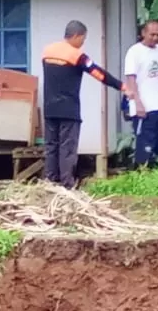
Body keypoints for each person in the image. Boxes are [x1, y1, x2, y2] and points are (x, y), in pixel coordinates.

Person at [39, 20, 122, 188]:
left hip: (50, 109)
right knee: (67, 149)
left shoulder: (47, 51)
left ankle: (49, 183)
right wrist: (121, 86)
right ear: (76, 36)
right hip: (69, 110)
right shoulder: (77, 55)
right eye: (83, 39)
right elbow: (98, 74)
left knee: (51, 147)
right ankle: (67, 185)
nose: (83, 43)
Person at [123, 19, 158, 168]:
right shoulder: (134, 52)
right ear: (143, 33)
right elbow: (131, 78)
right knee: (146, 140)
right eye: (152, 34)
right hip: (145, 106)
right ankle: (144, 171)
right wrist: (138, 102)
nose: (155, 38)